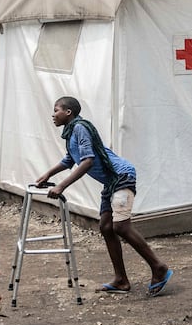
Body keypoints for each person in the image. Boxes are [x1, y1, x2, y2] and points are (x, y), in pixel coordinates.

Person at [34, 96, 172, 296]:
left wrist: (62, 186)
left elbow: (88, 160)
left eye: (56, 110)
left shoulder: (80, 128)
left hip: (122, 176)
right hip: (111, 182)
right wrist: (48, 174)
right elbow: (69, 159)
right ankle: (121, 280)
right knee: (106, 227)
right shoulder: (72, 132)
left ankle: (159, 267)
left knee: (121, 226)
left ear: (68, 112)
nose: (53, 114)